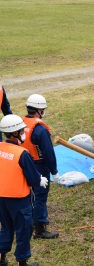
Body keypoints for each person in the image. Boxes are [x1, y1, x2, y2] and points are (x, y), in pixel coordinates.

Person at [0, 114, 48, 266]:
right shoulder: (22, 154)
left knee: (6, 228)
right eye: (21, 131)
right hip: (20, 200)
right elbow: (33, 179)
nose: (23, 134)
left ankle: (1, 258)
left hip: (1, 198)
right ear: (14, 133)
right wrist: (40, 180)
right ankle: (22, 262)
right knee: (24, 230)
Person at [21, 94, 59, 239]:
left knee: (29, 194)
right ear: (38, 110)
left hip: (24, 162)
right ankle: (40, 229)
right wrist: (54, 171)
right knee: (40, 196)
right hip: (39, 165)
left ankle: (28, 220)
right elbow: (48, 152)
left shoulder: (21, 122)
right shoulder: (40, 130)